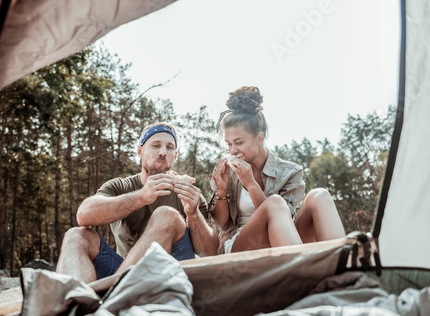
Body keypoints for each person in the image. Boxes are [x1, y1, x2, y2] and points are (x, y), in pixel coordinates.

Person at [56, 122, 219, 283]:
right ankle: (76, 305)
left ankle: (114, 294)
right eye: (156, 145)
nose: (163, 152)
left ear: (175, 155)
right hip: (123, 271)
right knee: (75, 236)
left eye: (169, 147)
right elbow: (84, 215)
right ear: (140, 151)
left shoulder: (188, 193)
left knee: (167, 215)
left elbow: (210, 252)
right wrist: (142, 196)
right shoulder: (120, 186)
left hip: (172, 272)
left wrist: (193, 213)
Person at [210, 86, 346, 254]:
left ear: (259, 138)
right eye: (229, 144)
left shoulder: (290, 172)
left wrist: (251, 184)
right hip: (241, 244)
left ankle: (342, 262)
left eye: (239, 143)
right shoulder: (227, 171)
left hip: (283, 241)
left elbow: (283, 221)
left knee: (319, 195)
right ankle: (299, 269)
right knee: (274, 202)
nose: (232, 151)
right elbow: (222, 224)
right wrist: (221, 190)